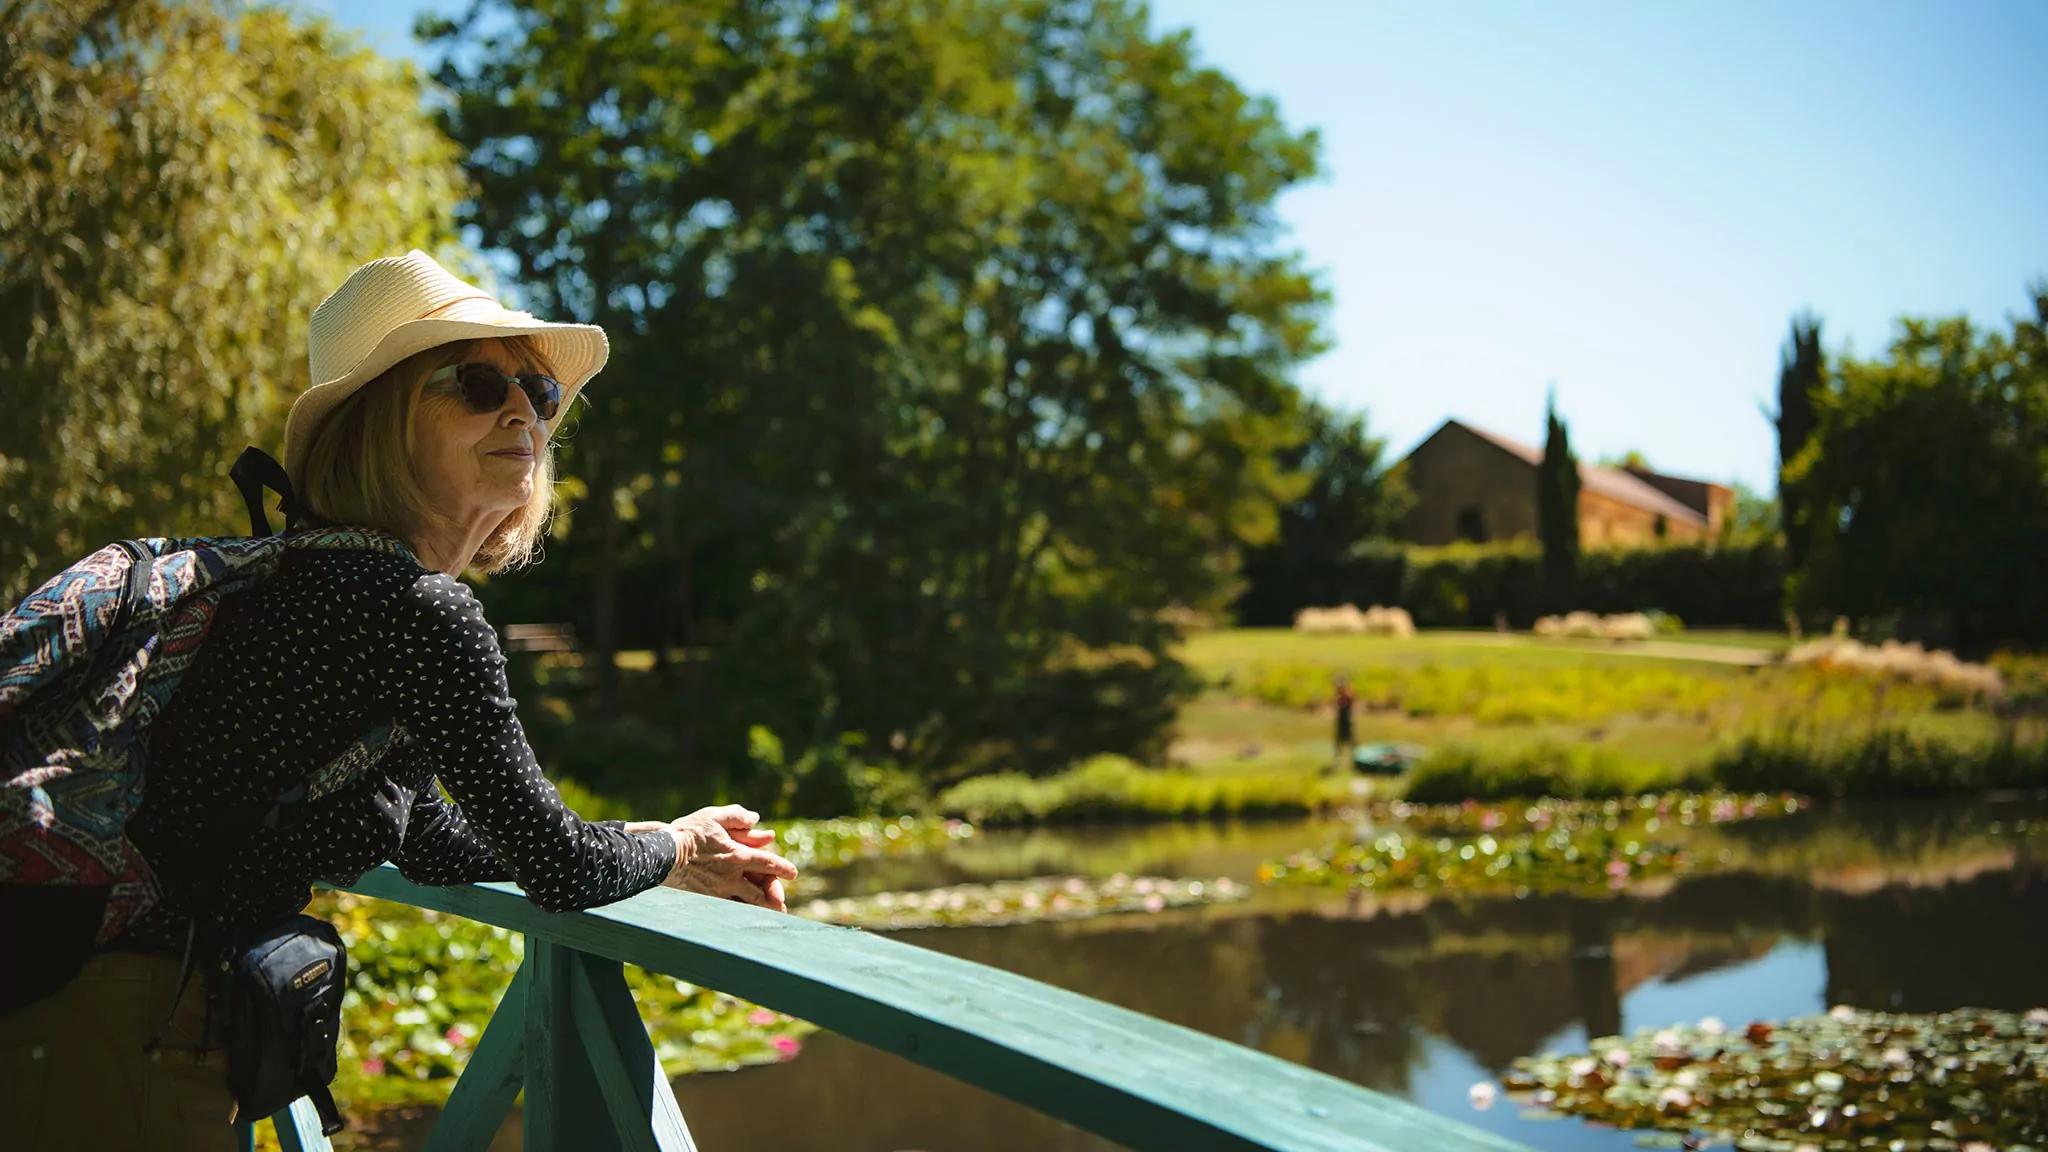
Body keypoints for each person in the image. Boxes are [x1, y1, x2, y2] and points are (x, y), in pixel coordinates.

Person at [0, 251, 799, 1149]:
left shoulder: (315, 587)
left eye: (538, 395)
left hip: (90, 1007)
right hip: (116, 1028)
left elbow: (424, 835)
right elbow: (559, 868)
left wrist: (662, 859)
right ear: (380, 423)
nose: (521, 412)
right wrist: (676, 840)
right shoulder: (417, 612)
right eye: (475, 382)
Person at [1332, 673, 1357, 763]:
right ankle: (1337, 759)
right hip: (1340, 722)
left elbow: (1349, 702)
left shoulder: (1347, 696)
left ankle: (1355, 758)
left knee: (1350, 741)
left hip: (1347, 722)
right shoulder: (1339, 697)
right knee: (1339, 742)